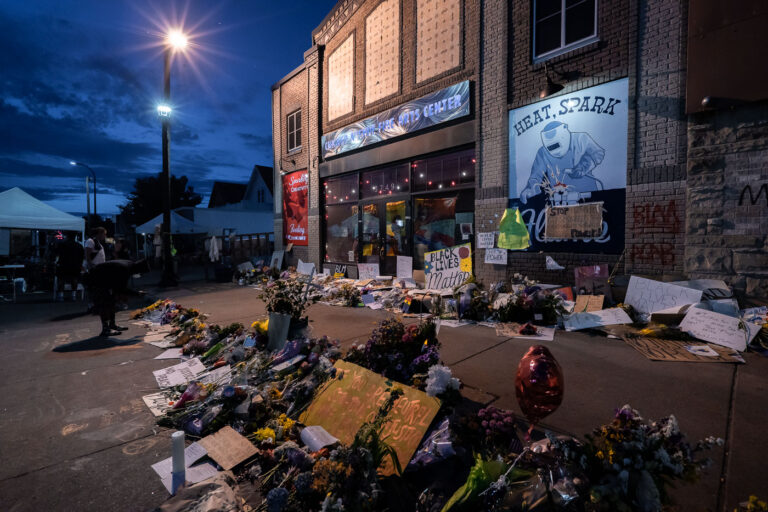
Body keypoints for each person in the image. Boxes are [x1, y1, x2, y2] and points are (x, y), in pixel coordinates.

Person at [520, 121, 606, 204]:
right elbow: (536, 176)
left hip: (587, 196)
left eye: (557, 145)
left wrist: (583, 167)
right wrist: (530, 188)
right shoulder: (542, 152)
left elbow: (597, 153)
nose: (556, 151)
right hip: (560, 198)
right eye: (551, 147)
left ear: (565, 132)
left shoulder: (580, 139)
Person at [84, 259, 150, 337]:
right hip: (96, 280)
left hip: (104, 279)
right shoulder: (125, 269)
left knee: (112, 301)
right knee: (105, 304)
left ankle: (112, 325)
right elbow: (121, 289)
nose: (140, 275)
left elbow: (118, 286)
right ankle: (105, 330)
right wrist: (137, 294)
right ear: (138, 270)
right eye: (141, 273)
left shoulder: (129, 265)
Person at [55, 232, 84, 300]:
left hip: (64, 264)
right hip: (75, 265)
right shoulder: (79, 246)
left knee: (61, 279)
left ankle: (61, 295)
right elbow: (82, 256)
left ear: (67, 236)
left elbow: (57, 253)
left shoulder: (62, 244)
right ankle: (73, 295)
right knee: (74, 279)